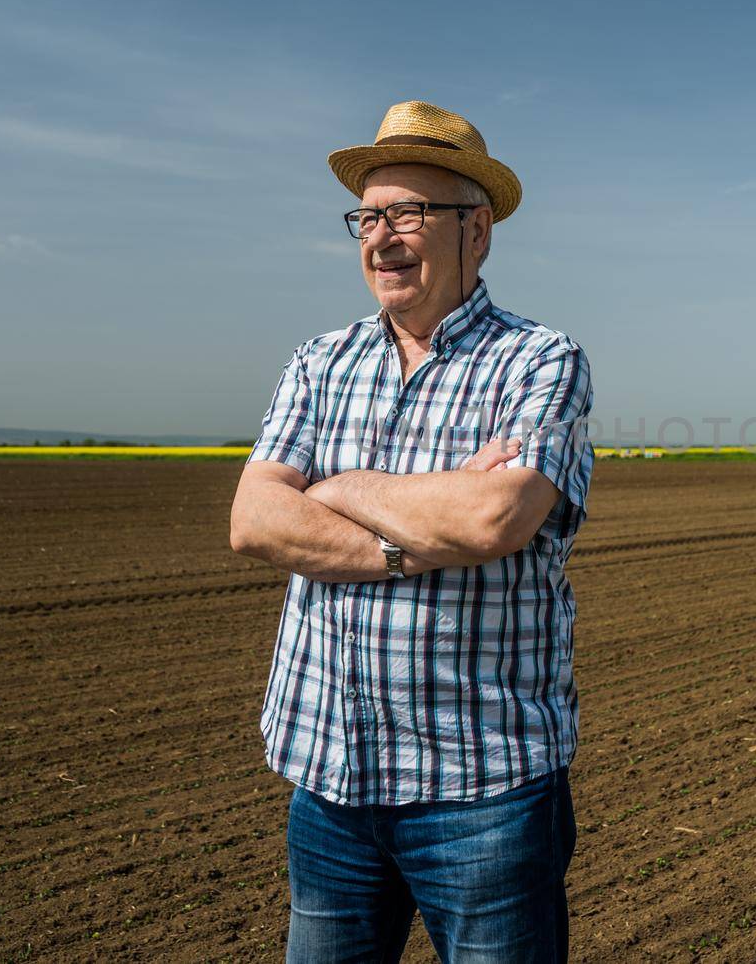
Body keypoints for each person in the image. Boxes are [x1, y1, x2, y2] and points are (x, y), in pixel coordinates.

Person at [229, 100, 594, 963]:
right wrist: (411, 534)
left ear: (478, 231)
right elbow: (253, 519)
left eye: (408, 213)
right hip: (329, 781)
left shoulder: (540, 361)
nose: (381, 237)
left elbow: (494, 515)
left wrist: (340, 486)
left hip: (484, 791)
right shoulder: (319, 360)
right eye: (368, 215)